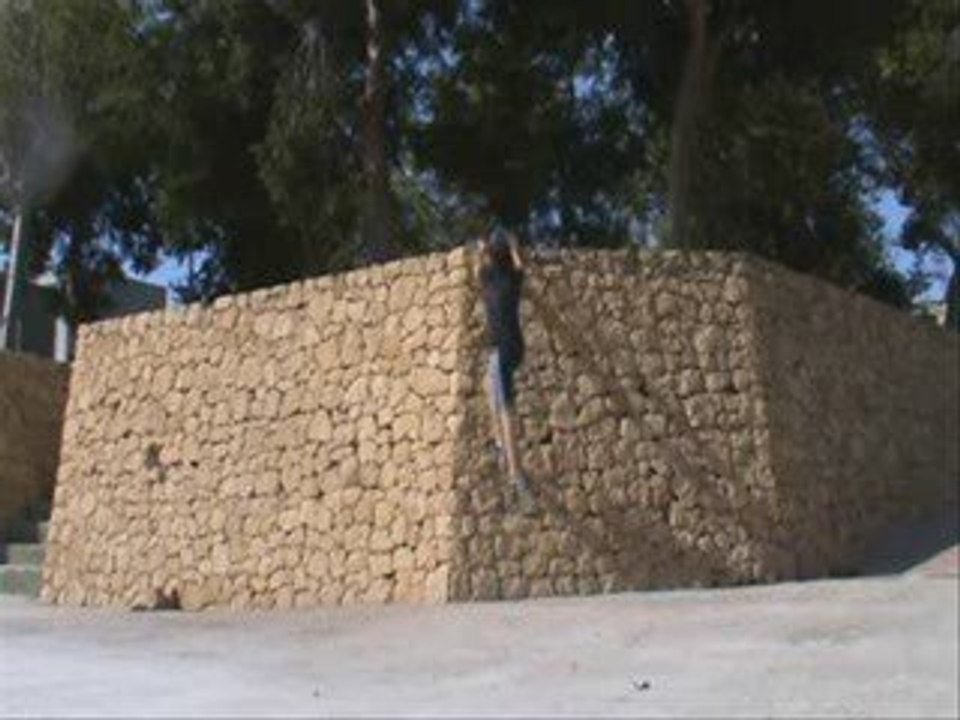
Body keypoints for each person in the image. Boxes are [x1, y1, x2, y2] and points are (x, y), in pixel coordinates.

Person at [477, 228, 534, 509]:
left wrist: (483, 248)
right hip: (513, 347)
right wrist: (514, 247)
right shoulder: (511, 279)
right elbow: (520, 264)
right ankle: (499, 443)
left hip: (502, 349)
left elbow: (481, 261)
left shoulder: (486, 280)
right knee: (490, 386)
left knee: (505, 408)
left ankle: (515, 474)